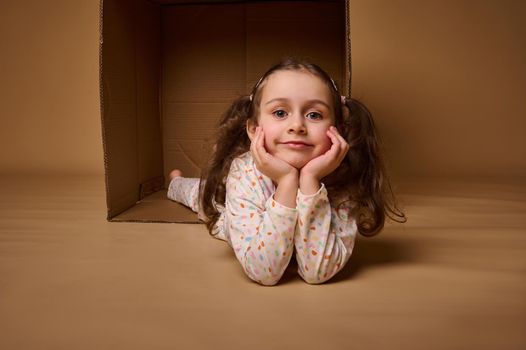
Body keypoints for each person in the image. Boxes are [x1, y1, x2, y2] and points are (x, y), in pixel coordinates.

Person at [167, 58, 406, 286]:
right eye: (280, 113)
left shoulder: (345, 178)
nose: (297, 126)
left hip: (295, 202)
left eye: (314, 115)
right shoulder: (244, 171)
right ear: (253, 128)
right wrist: (287, 180)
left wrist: (310, 180)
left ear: (338, 131)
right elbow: (264, 272)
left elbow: (318, 271)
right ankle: (176, 182)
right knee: (202, 198)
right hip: (233, 216)